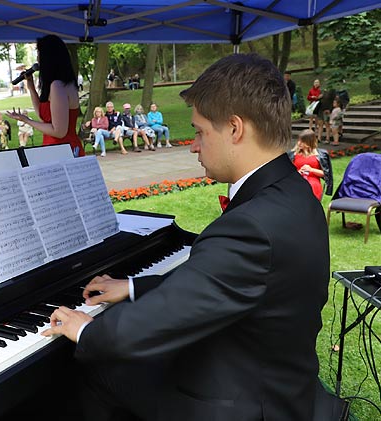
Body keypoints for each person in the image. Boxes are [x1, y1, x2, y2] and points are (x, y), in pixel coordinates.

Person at [42, 54, 329, 421]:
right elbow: (216, 279)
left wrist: (85, 329)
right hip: (275, 375)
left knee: (97, 370)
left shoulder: (253, 226)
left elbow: (141, 329)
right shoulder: (294, 192)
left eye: (199, 132)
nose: (193, 146)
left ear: (235, 128)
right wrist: (132, 287)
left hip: (246, 401)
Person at [6, 34, 85, 157]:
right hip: (55, 147)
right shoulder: (61, 84)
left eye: (39, 53)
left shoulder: (58, 86)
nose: (37, 58)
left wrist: (27, 120)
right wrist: (31, 86)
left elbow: (59, 131)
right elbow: (44, 116)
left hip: (63, 150)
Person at [288, 129, 333, 200]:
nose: (299, 143)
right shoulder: (292, 154)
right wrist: (297, 173)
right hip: (296, 180)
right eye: (299, 140)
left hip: (313, 182)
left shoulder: (321, 155)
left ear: (309, 142)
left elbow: (326, 174)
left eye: (302, 141)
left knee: (311, 187)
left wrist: (311, 170)